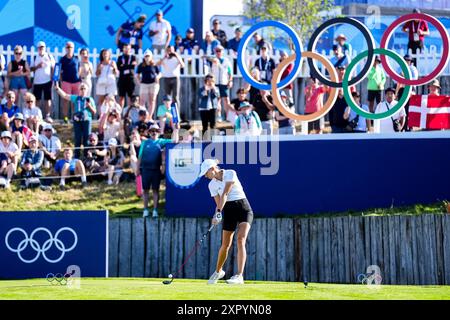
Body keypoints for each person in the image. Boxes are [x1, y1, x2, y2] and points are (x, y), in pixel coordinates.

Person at [198, 159, 254, 285]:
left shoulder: (230, 173)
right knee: (225, 245)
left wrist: (218, 212)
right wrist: (217, 214)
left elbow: (225, 193)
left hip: (243, 209)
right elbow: (219, 202)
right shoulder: (211, 185)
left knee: (241, 239)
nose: (205, 176)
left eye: (206, 173)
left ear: (212, 169)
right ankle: (218, 272)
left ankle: (239, 276)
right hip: (229, 211)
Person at [136, 123, 179, 218]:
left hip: (156, 170)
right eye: (152, 131)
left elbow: (175, 141)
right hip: (145, 170)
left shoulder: (161, 141)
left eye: (155, 131)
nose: (153, 132)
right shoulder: (144, 143)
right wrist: (137, 169)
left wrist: (176, 129)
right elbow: (139, 157)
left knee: (155, 190)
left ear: (159, 132)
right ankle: (145, 210)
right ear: (149, 132)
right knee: (146, 191)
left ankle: (155, 210)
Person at [55, 82, 96, 159]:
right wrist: (58, 89)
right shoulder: (76, 98)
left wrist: (89, 106)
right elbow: (65, 96)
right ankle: (77, 156)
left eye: (84, 89)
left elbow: (94, 112)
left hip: (86, 120)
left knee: (86, 139)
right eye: (81, 88)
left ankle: (86, 156)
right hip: (77, 120)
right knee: (77, 139)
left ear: (87, 90)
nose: (83, 90)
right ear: (79, 90)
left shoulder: (90, 99)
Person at [207, 45, 233, 122]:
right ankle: (219, 116)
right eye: (217, 51)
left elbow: (230, 72)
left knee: (226, 100)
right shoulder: (212, 60)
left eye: (220, 51)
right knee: (217, 100)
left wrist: (230, 81)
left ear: (222, 51)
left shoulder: (226, 61)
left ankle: (228, 116)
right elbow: (204, 58)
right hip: (215, 83)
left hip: (224, 82)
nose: (218, 52)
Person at [30, 41, 55, 123]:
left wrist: (52, 78)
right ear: (38, 48)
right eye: (40, 47)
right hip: (37, 81)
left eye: (43, 47)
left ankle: (47, 116)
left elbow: (53, 67)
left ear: (45, 48)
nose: (41, 48)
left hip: (47, 81)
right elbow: (31, 69)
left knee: (48, 99)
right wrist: (37, 66)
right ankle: (36, 115)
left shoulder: (49, 56)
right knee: (37, 100)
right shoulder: (35, 57)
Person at [396, 54, 419, 131]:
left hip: (410, 90)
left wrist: (403, 78)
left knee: (410, 109)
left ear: (410, 61)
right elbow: (396, 80)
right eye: (405, 60)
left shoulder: (413, 69)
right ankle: (402, 126)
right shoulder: (399, 68)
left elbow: (413, 80)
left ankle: (410, 126)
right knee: (402, 109)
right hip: (401, 90)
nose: (406, 61)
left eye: (408, 60)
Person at [59, 42, 81, 122]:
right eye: (67, 47)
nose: (69, 49)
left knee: (75, 101)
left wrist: (80, 80)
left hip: (76, 82)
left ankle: (74, 117)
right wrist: (62, 81)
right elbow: (60, 72)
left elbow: (79, 69)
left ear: (73, 48)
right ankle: (65, 118)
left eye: (71, 47)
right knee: (65, 101)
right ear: (65, 48)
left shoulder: (77, 58)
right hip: (66, 82)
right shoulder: (62, 59)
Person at [137, 49, 161, 119]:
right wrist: (139, 82)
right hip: (144, 84)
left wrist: (158, 77)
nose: (147, 58)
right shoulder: (141, 65)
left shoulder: (154, 65)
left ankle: (150, 117)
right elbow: (137, 75)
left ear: (151, 57)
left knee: (152, 100)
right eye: (146, 56)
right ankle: (144, 115)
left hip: (153, 84)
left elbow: (159, 73)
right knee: (142, 101)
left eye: (148, 56)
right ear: (144, 57)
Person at [117, 44, 138, 108]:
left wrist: (124, 66)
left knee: (130, 97)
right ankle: (120, 113)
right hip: (122, 79)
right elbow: (119, 67)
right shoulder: (120, 57)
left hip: (130, 79)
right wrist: (128, 66)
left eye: (128, 49)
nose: (126, 50)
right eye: (125, 48)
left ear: (130, 49)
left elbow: (133, 66)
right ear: (123, 49)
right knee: (121, 97)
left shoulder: (133, 57)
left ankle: (129, 112)